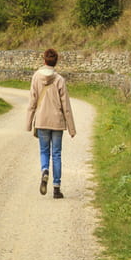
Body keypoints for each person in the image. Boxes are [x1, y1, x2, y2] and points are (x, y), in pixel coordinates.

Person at [26, 48, 76, 199]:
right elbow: (66, 106)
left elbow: (32, 102)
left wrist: (29, 123)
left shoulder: (36, 77)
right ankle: (56, 188)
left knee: (44, 151)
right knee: (56, 154)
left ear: (44, 60)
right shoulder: (60, 80)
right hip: (57, 122)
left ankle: (45, 170)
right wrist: (72, 128)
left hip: (41, 121)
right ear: (56, 62)